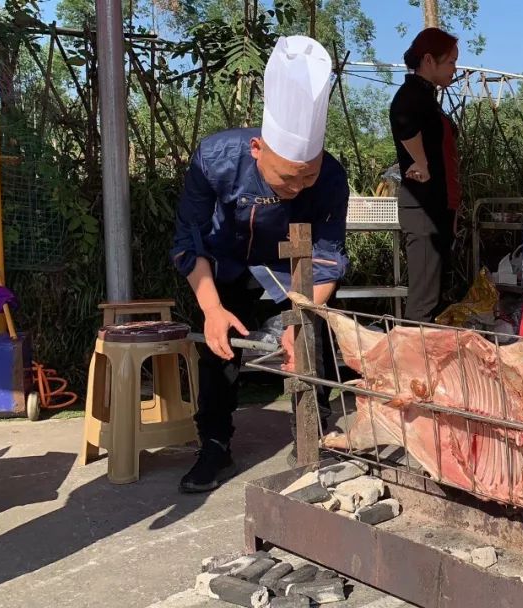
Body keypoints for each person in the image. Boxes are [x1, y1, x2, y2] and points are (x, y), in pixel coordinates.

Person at [170, 36, 350, 492]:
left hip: (291, 270)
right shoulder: (214, 159)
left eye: (307, 174)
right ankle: (214, 443)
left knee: (313, 333)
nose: (297, 186)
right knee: (218, 344)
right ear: (257, 149)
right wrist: (211, 309)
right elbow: (188, 241)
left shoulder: (329, 178)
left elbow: (327, 257)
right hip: (225, 262)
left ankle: (315, 431)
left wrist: (300, 316)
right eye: (288, 176)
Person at [389, 28, 461, 323]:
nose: (455, 69)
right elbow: (402, 119)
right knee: (424, 300)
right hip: (422, 209)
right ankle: (411, 365)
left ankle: (427, 361)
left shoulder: (426, 97)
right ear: (429, 60)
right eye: (451, 62)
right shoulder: (411, 95)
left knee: (435, 294)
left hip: (437, 207)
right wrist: (420, 159)